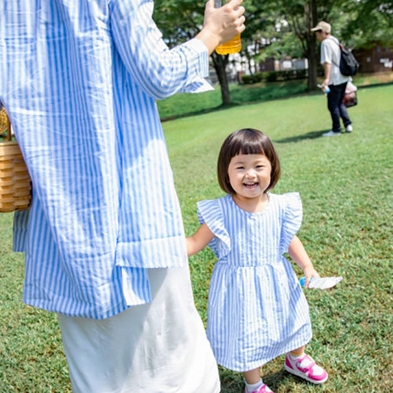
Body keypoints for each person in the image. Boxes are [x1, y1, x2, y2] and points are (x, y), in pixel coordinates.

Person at [0, 1, 245, 392]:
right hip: (130, 202)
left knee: (96, 364)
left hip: (57, 206)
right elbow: (158, 75)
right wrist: (212, 33)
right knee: (170, 358)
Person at [186, 128, 328, 393]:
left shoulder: (280, 206)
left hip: (279, 279)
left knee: (293, 320)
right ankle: (254, 384)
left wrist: (307, 266)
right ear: (225, 173)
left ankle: (296, 358)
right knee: (246, 335)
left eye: (258, 166)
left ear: (272, 169)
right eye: (240, 167)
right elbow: (194, 243)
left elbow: (289, 239)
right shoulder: (221, 211)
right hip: (239, 288)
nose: (250, 174)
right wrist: (162, 245)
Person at [311, 21, 353, 137]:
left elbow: (327, 62)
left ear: (323, 32)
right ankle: (348, 124)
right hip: (343, 76)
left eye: (317, 32)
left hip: (334, 78)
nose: (316, 35)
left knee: (332, 105)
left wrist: (326, 79)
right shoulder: (335, 41)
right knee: (340, 102)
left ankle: (336, 129)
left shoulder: (325, 43)